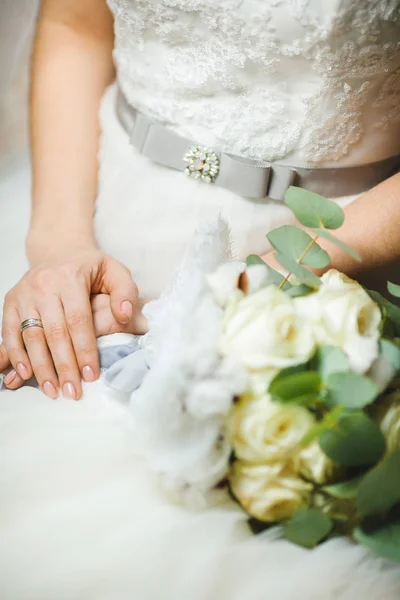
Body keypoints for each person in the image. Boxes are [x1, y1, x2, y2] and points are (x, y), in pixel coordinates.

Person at [0, 1, 399, 597]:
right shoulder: (66, 242)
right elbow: (75, 22)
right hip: (97, 207)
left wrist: (298, 264)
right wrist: (57, 245)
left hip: (343, 254)